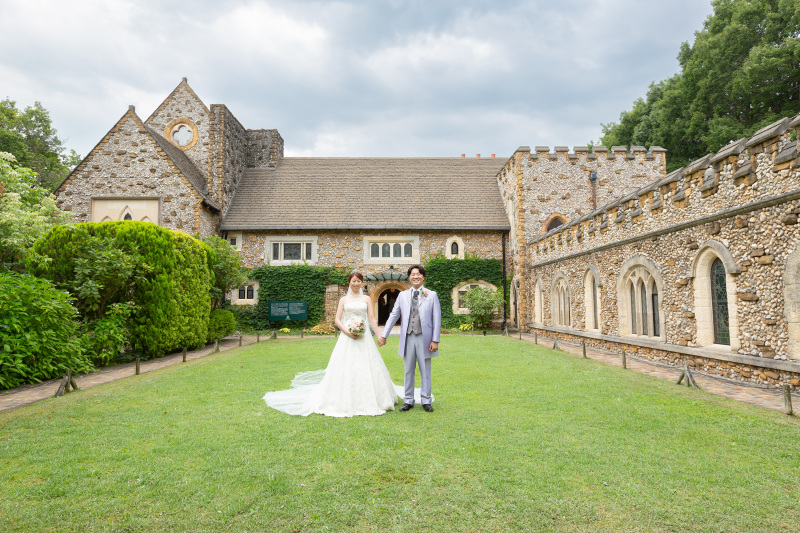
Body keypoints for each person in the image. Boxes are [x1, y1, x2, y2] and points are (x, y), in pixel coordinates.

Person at [263, 271, 399, 417]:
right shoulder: (343, 300)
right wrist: (348, 332)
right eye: (353, 281)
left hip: (364, 337)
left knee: (368, 365)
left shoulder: (366, 298)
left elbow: (371, 319)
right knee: (344, 366)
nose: (356, 283)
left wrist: (379, 336)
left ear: (361, 283)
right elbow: (337, 320)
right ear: (350, 282)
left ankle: (372, 398)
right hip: (347, 337)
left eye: (359, 281)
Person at [377, 264, 441, 412]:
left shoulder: (432, 295)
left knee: (425, 370)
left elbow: (436, 319)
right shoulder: (403, 295)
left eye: (418, 274)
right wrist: (384, 335)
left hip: (425, 339)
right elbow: (394, 315)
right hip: (407, 338)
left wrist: (435, 340)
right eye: (413, 274)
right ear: (409, 277)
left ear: (423, 277)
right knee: (408, 371)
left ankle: (426, 400)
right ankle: (408, 400)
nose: (415, 276)